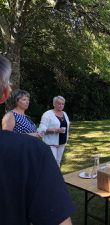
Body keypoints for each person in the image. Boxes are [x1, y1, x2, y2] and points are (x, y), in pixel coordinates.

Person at [0, 55, 74, 224]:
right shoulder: (11, 117)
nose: (27, 102)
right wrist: (34, 138)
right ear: (6, 94)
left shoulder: (26, 118)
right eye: (24, 99)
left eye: (28, 99)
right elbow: (8, 142)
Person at [38, 96, 70, 167]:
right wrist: (55, 130)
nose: (61, 105)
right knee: (52, 164)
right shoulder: (47, 114)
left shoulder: (64, 114)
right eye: (59, 103)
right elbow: (41, 129)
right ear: (54, 104)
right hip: (51, 144)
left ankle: (56, 177)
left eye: (62, 104)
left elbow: (67, 127)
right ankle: (49, 177)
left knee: (58, 163)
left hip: (62, 143)